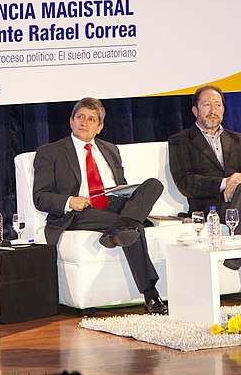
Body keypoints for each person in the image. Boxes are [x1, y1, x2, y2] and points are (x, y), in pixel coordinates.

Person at [32, 97, 168, 315]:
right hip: (80, 211)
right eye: (80, 117)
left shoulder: (110, 149)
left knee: (153, 185)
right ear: (71, 121)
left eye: (91, 119)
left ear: (100, 127)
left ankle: (119, 228)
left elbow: (120, 182)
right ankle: (151, 294)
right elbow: (40, 196)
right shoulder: (50, 152)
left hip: (114, 205)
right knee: (134, 227)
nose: (84, 122)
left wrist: (126, 192)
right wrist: (70, 201)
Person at [168, 85, 241, 304]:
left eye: (217, 105)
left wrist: (240, 180)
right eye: (206, 104)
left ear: (224, 110)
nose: (213, 110)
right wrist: (226, 183)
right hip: (210, 207)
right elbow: (185, 182)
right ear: (195, 110)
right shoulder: (181, 140)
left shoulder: (237, 139)